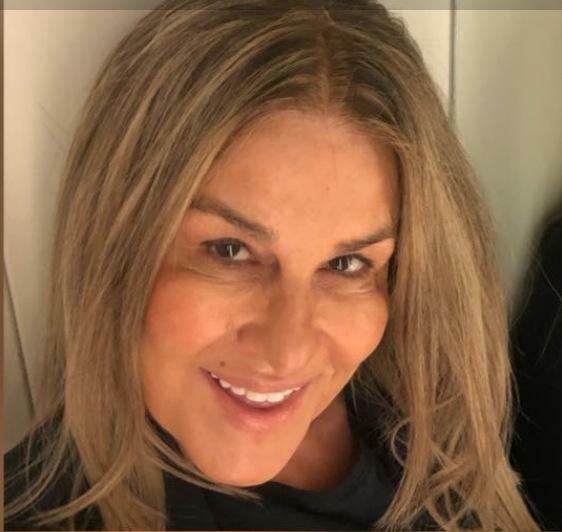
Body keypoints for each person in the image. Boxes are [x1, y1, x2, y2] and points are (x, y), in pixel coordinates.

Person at [4, 0, 541, 530]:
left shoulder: (434, 438)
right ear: (119, 244)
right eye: (230, 251)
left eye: (346, 263)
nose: (287, 351)